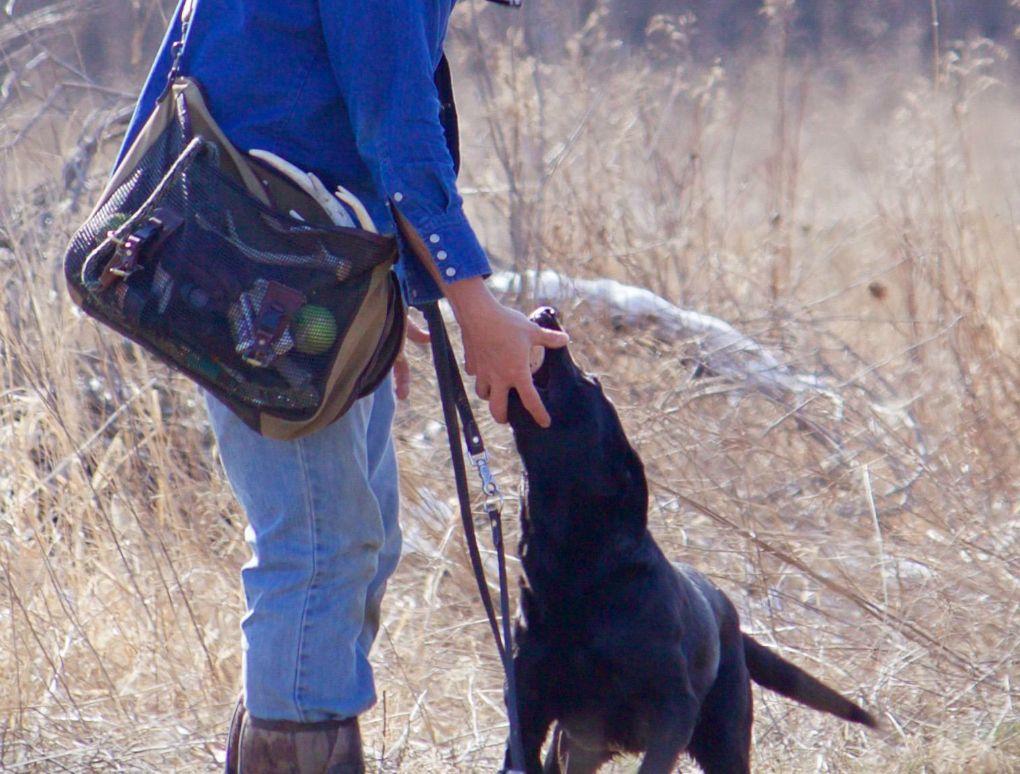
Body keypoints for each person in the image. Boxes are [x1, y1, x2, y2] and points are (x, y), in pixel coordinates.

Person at [116, 0, 569, 771]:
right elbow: (398, 133)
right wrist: (472, 305)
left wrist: (369, 301)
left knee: (362, 539)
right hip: (266, 284)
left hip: (300, 280)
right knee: (319, 552)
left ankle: (282, 730)